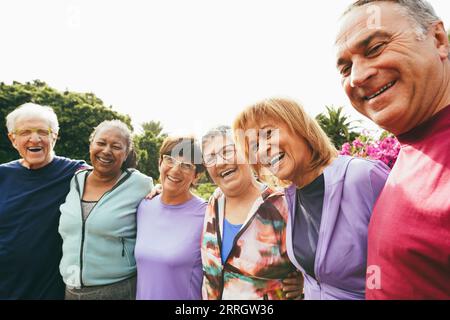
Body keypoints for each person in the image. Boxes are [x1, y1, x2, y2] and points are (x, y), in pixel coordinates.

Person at [335, 0, 450, 299]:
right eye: (346, 67)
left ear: (438, 40)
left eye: (374, 49)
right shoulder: (413, 145)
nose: (357, 77)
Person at [233, 98, 390, 300]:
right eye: (254, 146)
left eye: (268, 133)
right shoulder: (291, 197)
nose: (262, 150)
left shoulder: (362, 177)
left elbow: (404, 269)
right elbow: (319, 270)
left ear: (299, 126)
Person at [201, 126, 302, 300]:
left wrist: (305, 283)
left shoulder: (281, 205)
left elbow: (319, 266)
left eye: (228, 151)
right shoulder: (214, 202)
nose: (220, 162)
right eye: (211, 158)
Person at [59, 120, 153, 300]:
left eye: (116, 146)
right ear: (91, 145)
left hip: (118, 289)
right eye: (101, 143)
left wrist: (160, 191)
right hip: (70, 288)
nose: (107, 151)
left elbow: (164, 201)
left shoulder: (140, 184)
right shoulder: (75, 179)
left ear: (126, 154)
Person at [0, 103, 86, 299]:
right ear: (13, 139)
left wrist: (158, 190)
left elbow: (117, 182)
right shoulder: (2, 175)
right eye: (25, 132)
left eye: (42, 131)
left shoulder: (76, 172)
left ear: (54, 136)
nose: (35, 138)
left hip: (47, 292)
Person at [135, 136, 207, 300]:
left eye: (186, 166)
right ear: (160, 162)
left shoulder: (207, 215)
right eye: (170, 160)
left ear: (196, 176)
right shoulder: (144, 207)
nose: (175, 170)